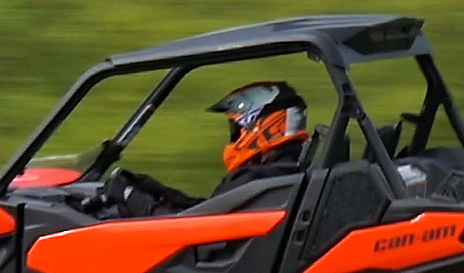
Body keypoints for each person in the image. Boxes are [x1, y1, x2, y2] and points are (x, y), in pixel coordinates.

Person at [90, 81, 311, 218]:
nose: (233, 139)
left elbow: (190, 227)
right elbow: (207, 211)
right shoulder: (288, 172)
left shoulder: (257, 180)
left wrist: (129, 196)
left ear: (264, 126)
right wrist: (155, 189)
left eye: (236, 129)